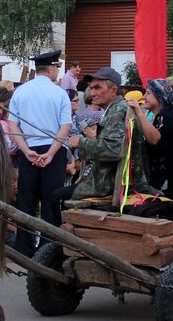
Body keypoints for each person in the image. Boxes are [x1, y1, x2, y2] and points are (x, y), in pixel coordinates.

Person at [56, 66, 153, 216]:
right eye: (91, 88)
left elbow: (114, 150)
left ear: (113, 90)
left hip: (111, 184)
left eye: (97, 88)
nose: (92, 93)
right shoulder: (114, 109)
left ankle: (54, 239)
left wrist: (81, 142)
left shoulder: (117, 112)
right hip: (108, 179)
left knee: (54, 199)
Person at [6, 50, 72, 256]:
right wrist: (52, 153)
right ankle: (48, 250)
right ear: (51, 69)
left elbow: (12, 124)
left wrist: (26, 150)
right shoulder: (60, 93)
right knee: (51, 202)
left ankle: (24, 249)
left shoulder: (20, 91)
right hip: (53, 151)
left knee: (26, 202)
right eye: (57, 69)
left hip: (28, 151)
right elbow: (65, 127)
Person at [135, 78, 173, 202]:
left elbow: (156, 141)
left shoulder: (165, 116)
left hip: (171, 182)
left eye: (148, 93)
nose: (144, 97)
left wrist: (138, 113)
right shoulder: (169, 115)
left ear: (160, 96)